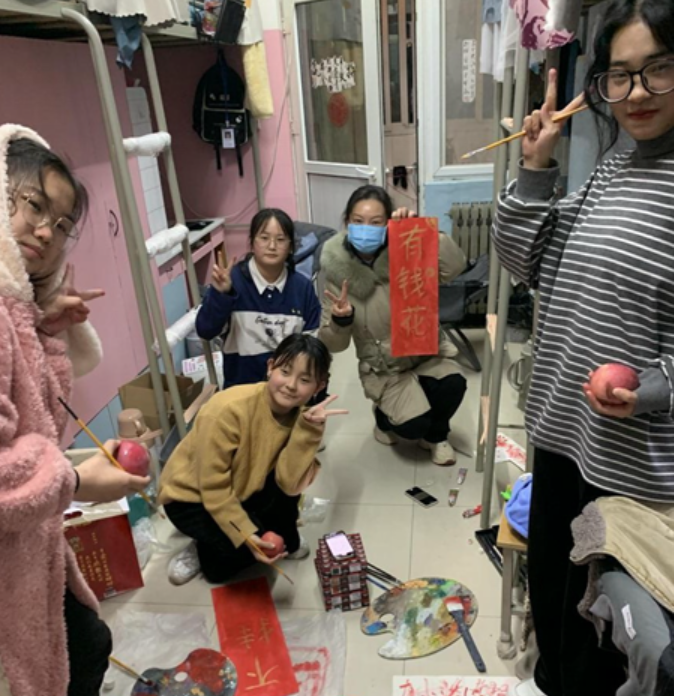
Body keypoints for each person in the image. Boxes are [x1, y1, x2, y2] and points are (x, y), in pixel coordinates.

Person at [492, 2, 674, 694]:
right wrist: (535, 167)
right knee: (554, 598)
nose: (636, 93)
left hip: (627, 461)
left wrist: (647, 390)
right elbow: (526, 260)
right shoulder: (612, 167)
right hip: (562, 432)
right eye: (619, 76)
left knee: (602, 635)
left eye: (657, 70)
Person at [0, 126, 150, 696]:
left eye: (63, 224)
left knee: (83, 643)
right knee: (74, 651)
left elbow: (36, 416)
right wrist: (79, 480)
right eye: (34, 206)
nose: (47, 231)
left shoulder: (14, 310)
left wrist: (45, 327)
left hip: (26, 542)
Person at [159, 334, 346, 585]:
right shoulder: (228, 408)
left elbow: (290, 484)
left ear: (319, 386)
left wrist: (309, 431)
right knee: (223, 567)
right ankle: (201, 544)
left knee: (283, 543)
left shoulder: (303, 416)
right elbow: (213, 487)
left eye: (304, 380)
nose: (291, 385)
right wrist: (247, 535)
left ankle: (234, 530)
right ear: (270, 367)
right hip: (192, 497)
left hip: (244, 485)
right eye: (285, 372)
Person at [318, 185, 467, 466]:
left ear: (388, 223)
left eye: (376, 222)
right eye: (358, 221)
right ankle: (383, 419)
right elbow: (334, 344)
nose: (366, 229)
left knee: (453, 385)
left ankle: (436, 436)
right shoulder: (338, 273)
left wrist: (422, 231)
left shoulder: (408, 250)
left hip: (424, 354)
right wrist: (341, 320)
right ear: (347, 222)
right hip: (384, 369)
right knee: (412, 426)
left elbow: (455, 266)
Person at [196, 208, 321, 389]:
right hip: (241, 390)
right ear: (252, 242)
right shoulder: (232, 281)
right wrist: (221, 294)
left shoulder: (302, 288)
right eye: (264, 238)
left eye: (280, 239)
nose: (272, 246)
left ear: (291, 247)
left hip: (288, 392)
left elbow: (312, 348)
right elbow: (205, 330)